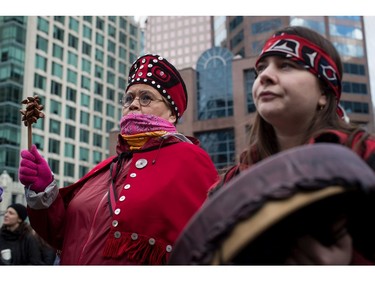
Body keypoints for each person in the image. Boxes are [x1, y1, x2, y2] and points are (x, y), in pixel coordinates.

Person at [18, 54, 219, 265]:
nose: (133, 105)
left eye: (146, 98)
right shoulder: (105, 167)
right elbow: (59, 235)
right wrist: (44, 189)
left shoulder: (189, 159)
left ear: (171, 115)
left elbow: (209, 247)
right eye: (129, 98)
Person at [207, 26, 375, 264]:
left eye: (286, 65)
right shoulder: (228, 186)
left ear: (324, 93)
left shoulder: (366, 158)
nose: (265, 76)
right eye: (261, 68)